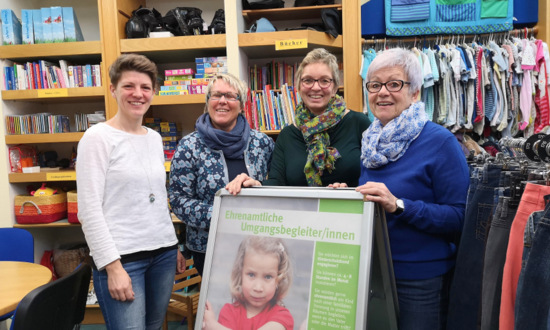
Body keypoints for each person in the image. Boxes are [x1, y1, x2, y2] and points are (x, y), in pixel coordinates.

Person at [352, 48, 469, 329]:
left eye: (394, 84)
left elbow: (459, 217)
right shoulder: (371, 141)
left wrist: (399, 205)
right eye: (375, 85)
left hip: (420, 281)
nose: (382, 93)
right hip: (371, 273)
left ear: (415, 92)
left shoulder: (441, 142)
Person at [76, 53, 185, 329]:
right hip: (123, 260)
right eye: (129, 86)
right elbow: (88, 211)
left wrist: (172, 244)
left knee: (155, 325)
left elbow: (157, 198)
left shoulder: (154, 138)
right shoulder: (97, 138)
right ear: (113, 89)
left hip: (163, 253)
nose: (138, 94)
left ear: (153, 92)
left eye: (145, 88)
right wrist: (112, 267)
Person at [169, 73, 274, 275]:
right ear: (208, 102)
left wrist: (260, 186)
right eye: (216, 95)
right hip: (209, 250)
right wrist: (225, 216)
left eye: (230, 96)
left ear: (242, 105)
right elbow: (178, 200)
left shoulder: (262, 143)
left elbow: (276, 184)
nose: (222, 101)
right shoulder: (189, 146)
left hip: (259, 248)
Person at [226, 48, 370, 193]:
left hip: (351, 212)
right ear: (299, 87)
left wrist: (351, 190)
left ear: (334, 88)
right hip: (303, 214)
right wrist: (256, 185)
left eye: (324, 81)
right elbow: (277, 183)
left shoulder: (359, 124)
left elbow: (375, 176)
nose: (315, 87)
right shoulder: (287, 136)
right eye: (308, 80)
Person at [203, 236, 294, 330]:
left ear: (279, 279)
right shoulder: (229, 312)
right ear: (240, 274)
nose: (258, 288)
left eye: (268, 277)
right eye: (251, 275)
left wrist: (213, 326)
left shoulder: (282, 316)